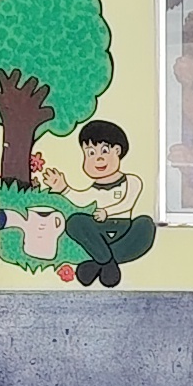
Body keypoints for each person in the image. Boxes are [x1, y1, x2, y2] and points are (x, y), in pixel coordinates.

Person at [34, 119, 154, 287]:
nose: (98, 158)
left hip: (123, 229)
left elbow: (127, 203)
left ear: (117, 151)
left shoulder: (131, 181)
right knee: (75, 221)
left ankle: (98, 264)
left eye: (104, 151)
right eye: (90, 153)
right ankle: (108, 262)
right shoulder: (95, 189)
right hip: (100, 231)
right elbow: (80, 199)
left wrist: (107, 212)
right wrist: (63, 188)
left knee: (146, 225)